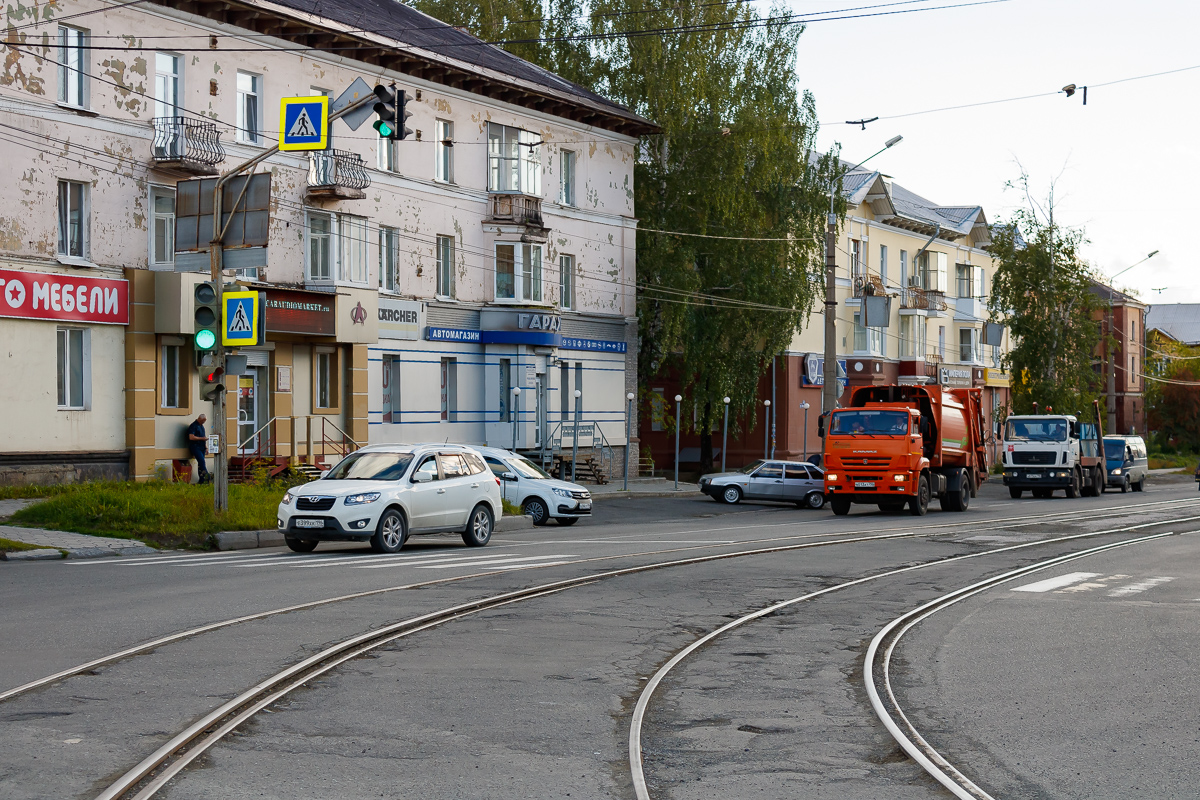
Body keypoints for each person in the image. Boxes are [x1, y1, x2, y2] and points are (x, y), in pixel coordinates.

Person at [187, 414, 211, 484]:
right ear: (200, 419)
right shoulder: (193, 426)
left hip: (202, 447)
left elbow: (203, 436)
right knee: (202, 462)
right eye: (203, 421)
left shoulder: (202, 426)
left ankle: (201, 479)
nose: (204, 422)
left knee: (201, 464)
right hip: (195, 446)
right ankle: (207, 477)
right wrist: (202, 439)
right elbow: (191, 437)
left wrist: (206, 447)